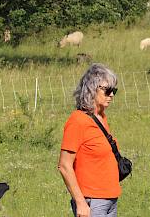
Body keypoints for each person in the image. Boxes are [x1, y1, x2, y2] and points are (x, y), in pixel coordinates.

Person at [59, 63, 123, 217]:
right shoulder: (77, 121)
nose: (112, 95)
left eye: (114, 91)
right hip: (92, 201)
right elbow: (64, 165)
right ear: (92, 89)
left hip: (110, 199)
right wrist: (80, 203)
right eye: (107, 91)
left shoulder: (101, 118)